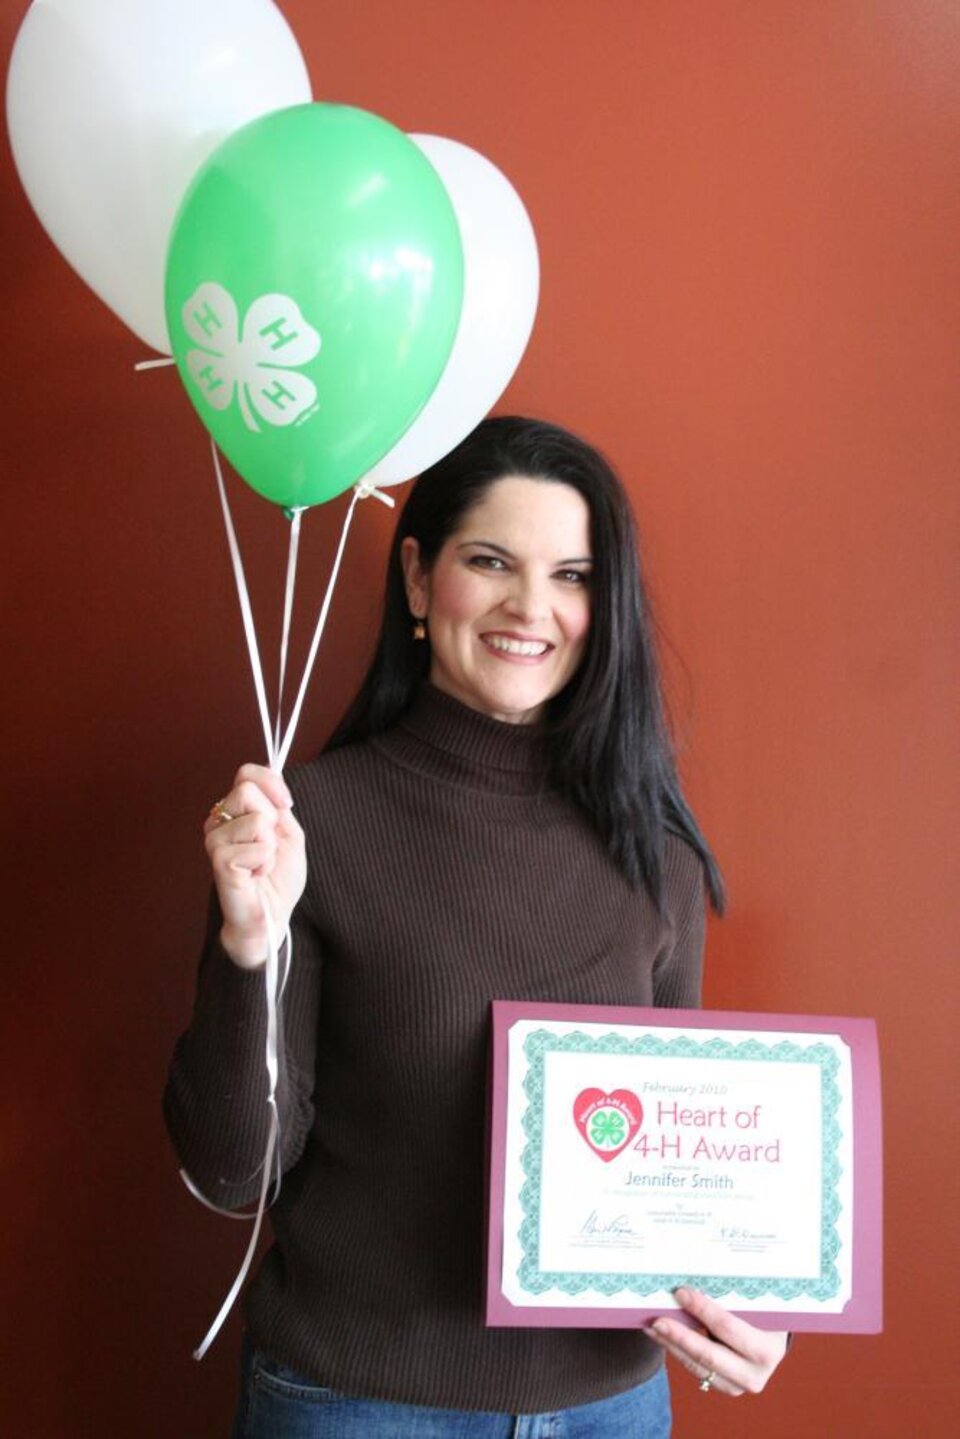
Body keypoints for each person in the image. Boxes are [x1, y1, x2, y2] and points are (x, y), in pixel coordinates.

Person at [165, 416, 788, 1437]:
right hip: (359, 1402)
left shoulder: (655, 848)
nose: (531, 607)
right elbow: (234, 1170)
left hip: (612, 1406)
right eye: (491, 560)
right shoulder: (306, 825)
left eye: (573, 575)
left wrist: (753, 1307)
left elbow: (687, 1166)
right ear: (418, 578)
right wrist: (246, 948)